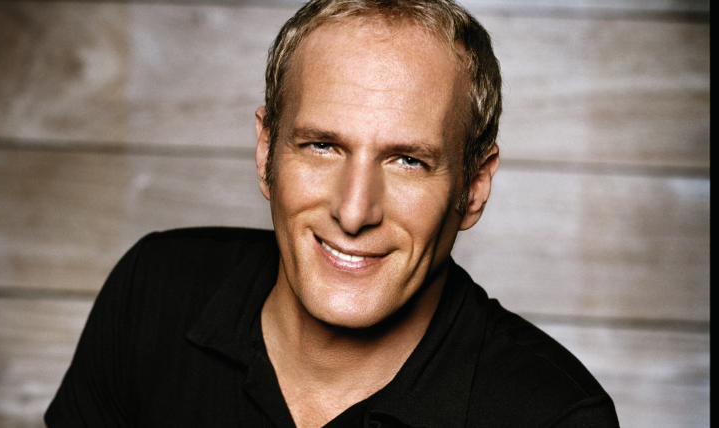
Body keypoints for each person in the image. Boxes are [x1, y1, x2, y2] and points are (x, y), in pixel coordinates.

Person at [45, 0, 619, 427]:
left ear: (473, 187)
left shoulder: (554, 417)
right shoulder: (152, 294)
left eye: (408, 160)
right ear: (267, 152)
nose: (353, 210)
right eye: (322, 146)